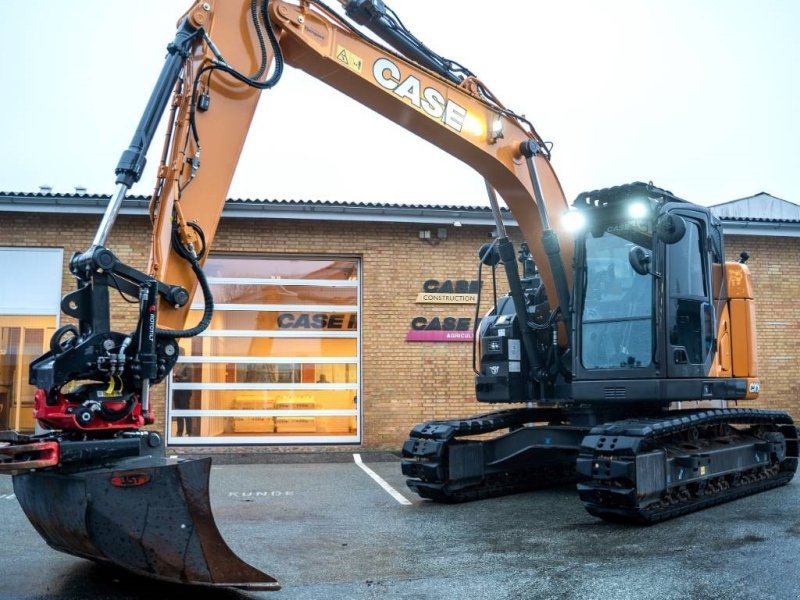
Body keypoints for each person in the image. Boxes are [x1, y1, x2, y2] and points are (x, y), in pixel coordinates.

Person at [173, 356, 194, 437]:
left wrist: (177, 377)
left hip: (185, 392)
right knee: (178, 412)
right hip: (178, 391)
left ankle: (189, 432)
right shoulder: (179, 365)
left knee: (185, 411)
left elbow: (188, 378)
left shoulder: (188, 365)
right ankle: (179, 432)